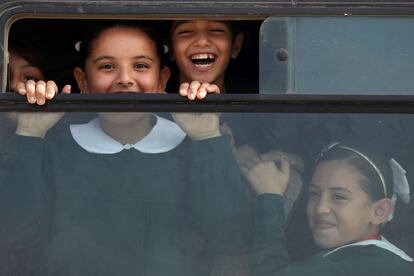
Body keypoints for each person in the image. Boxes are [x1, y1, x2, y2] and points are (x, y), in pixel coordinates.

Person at [0, 21, 251, 276]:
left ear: (162, 80)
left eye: (140, 66)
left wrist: (207, 136)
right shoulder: (53, 147)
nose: (125, 79)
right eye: (107, 67)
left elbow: (232, 238)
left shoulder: (193, 145)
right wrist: (30, 133)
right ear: (82, 81)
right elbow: (14, 235)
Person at [245, 142, 413, 276]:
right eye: (314, 194)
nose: (320, 208)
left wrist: (269, 197)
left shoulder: (373, 266)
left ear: (379, 211)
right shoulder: (360, 257)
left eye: (338, 197)